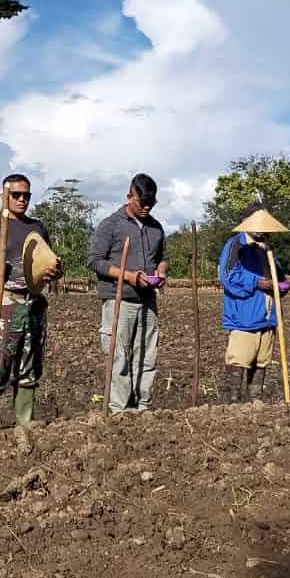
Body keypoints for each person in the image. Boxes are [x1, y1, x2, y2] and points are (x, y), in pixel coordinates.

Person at [0, 174, 63, 427]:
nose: (22, 200)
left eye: (26, 196)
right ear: (4, 196)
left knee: (30, 362)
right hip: (5, 302)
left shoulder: (37, 228)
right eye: (16, 195)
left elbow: (49, 260)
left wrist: (55, 271)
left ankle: (25, 419)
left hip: (33, 302)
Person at [87, 173, 167, 412]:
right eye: (141, 203)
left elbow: (163, 258)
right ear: (129, 197)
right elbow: (95, 261)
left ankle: (143, 406)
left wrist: (161, 272)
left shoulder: (156, 227)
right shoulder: (111, 225)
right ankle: (119, 410)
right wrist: (129, 276)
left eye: (151, 204)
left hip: (148, 300)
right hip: (119, 299)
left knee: (147, 355)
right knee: (119, 356)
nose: (146, 208)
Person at [218, 204, 289, 402]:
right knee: (239, 360)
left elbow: (278, 275)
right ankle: (233, 402)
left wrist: (283, 285)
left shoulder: (267, 247)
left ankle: (255, 401)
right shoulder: (236, 245)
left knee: (262, 361)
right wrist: (257, 282)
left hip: (268, 314)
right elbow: (228, 276)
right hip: (244, 314)